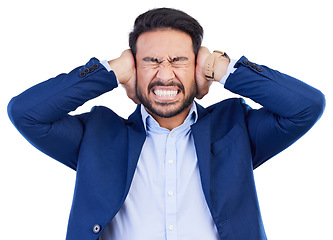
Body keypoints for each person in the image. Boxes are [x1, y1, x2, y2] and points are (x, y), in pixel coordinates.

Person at [7, 7, 325, 240]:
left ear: (197, 66)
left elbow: (306, 106)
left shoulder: (235, 129)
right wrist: (109, 71)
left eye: (178, 60)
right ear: (135, 67)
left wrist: (224, 68)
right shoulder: (97, 136)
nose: (164, 73)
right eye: (151, 61)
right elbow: (26, 113)